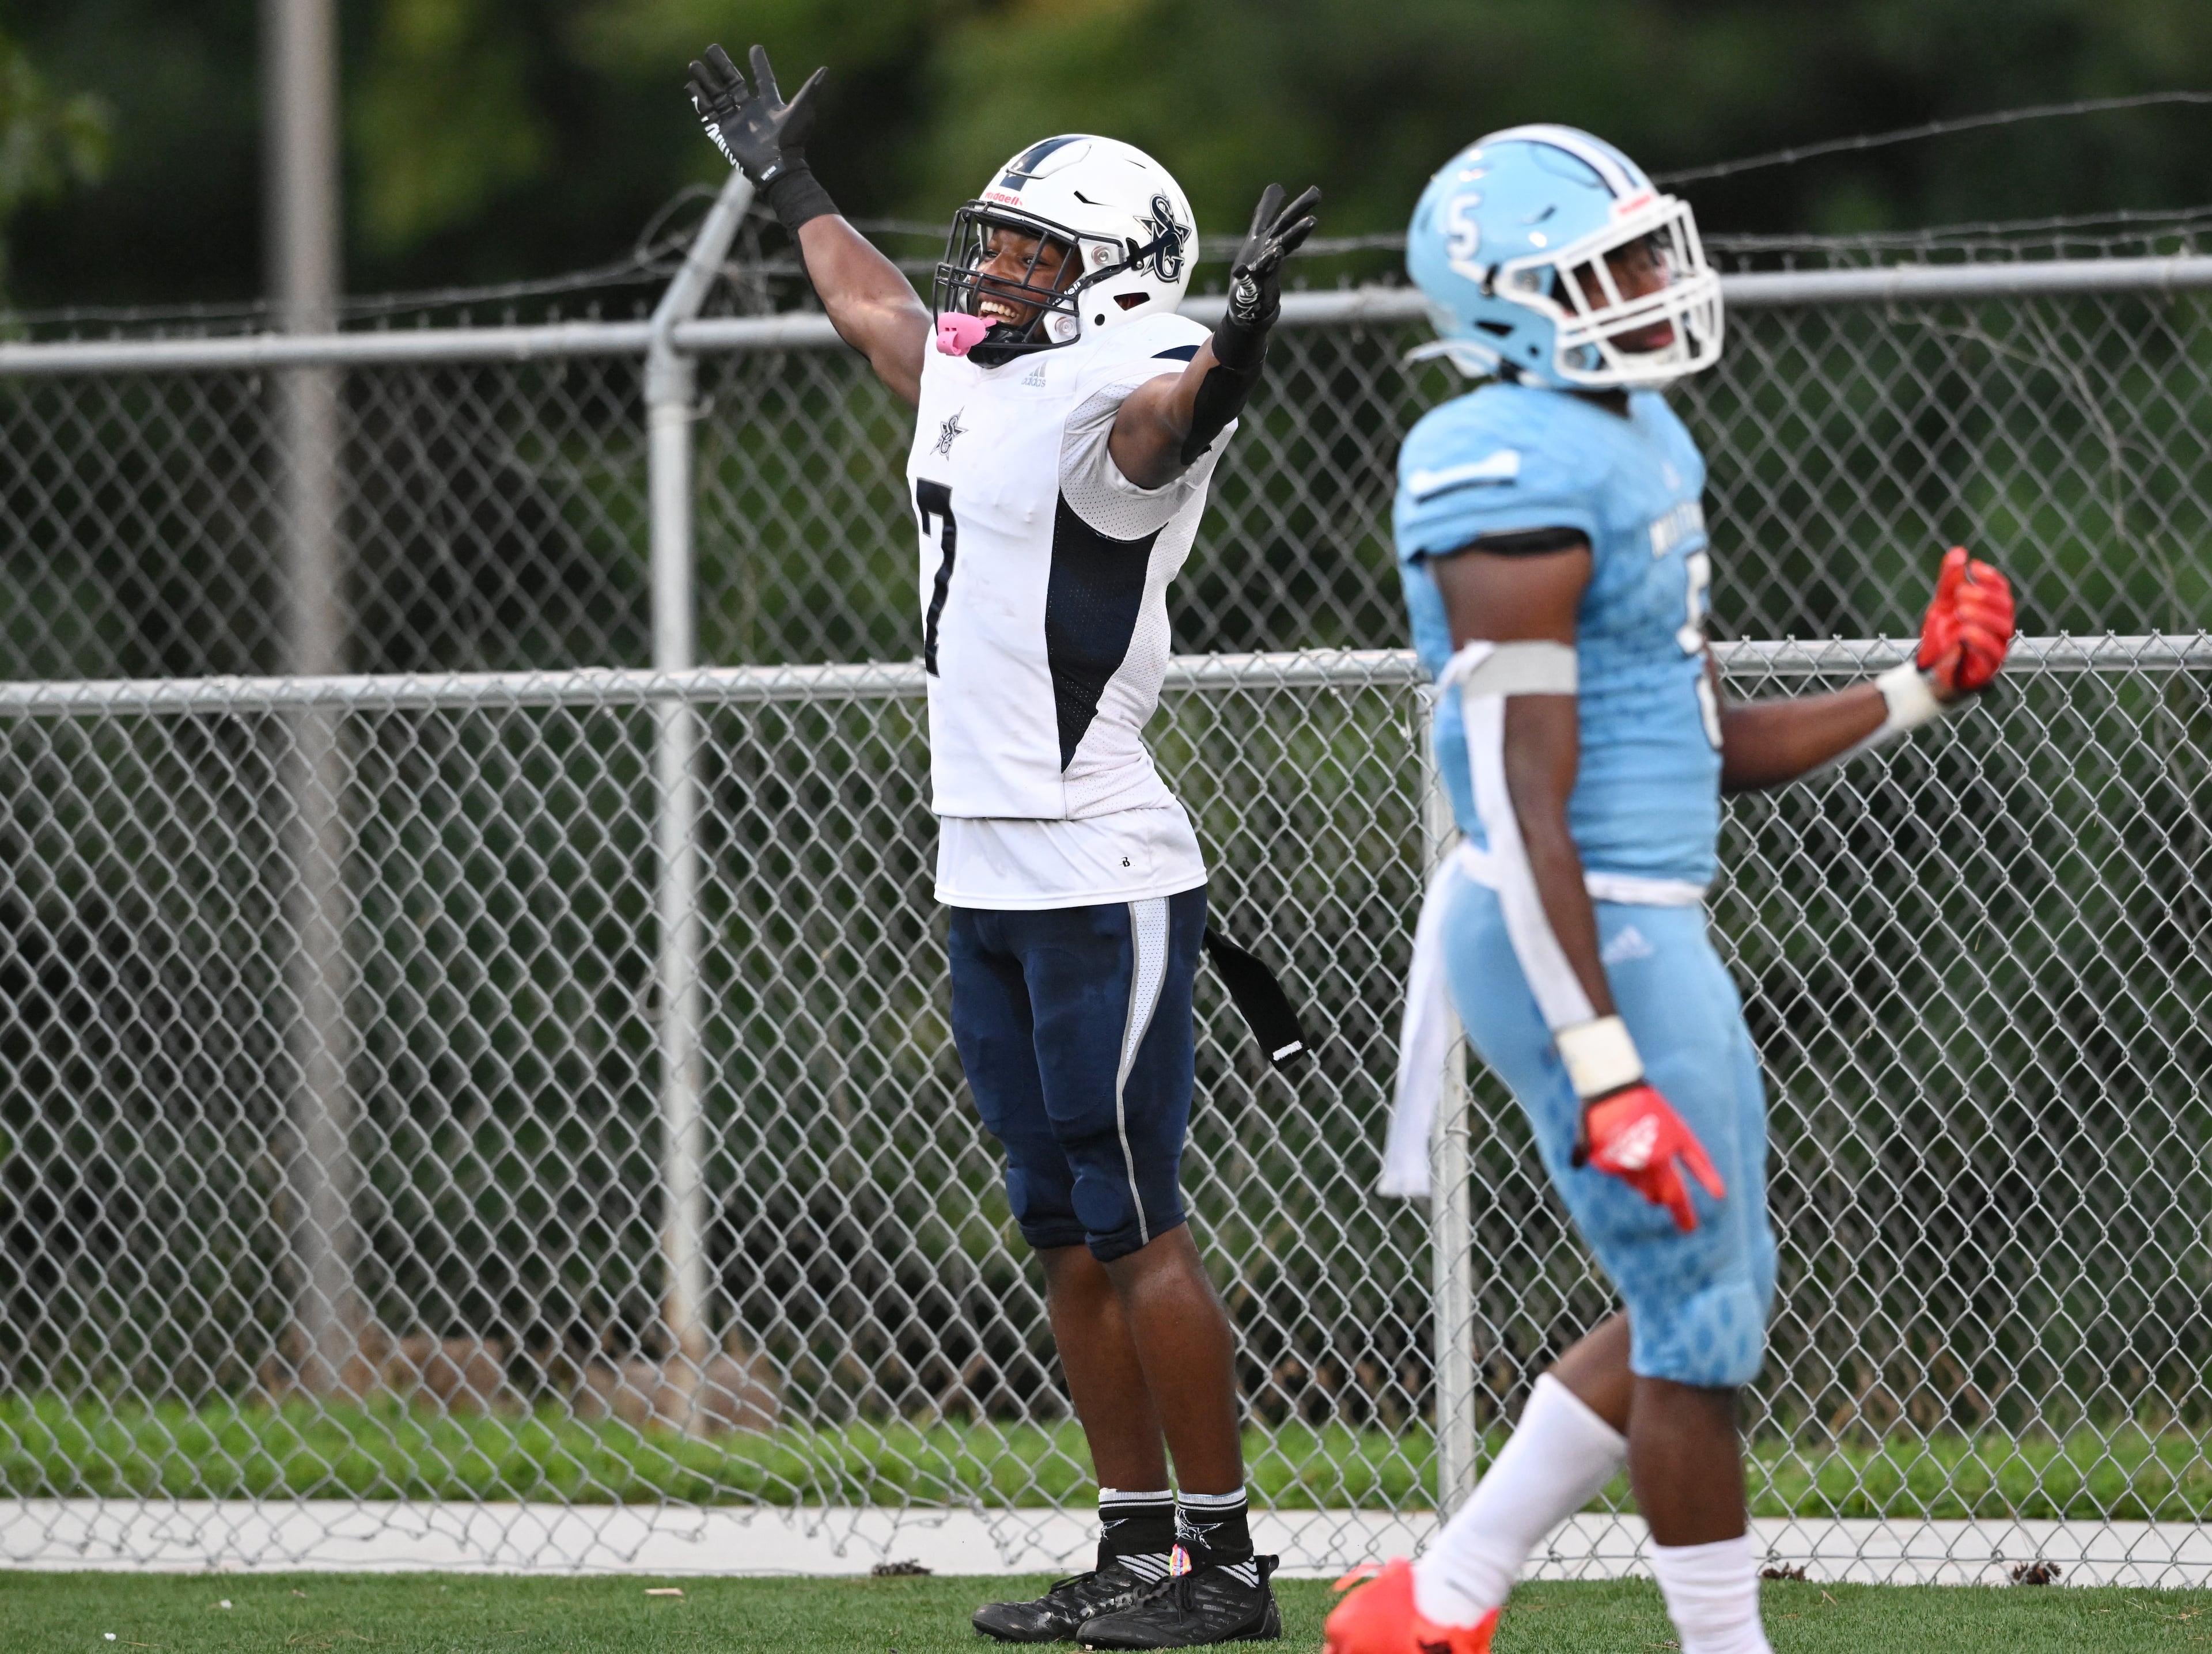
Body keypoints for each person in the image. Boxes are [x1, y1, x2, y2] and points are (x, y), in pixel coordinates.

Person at [1326, 125, 2016, 1654]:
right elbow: (1523, 798)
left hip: (1644, 921)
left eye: (1651, 250)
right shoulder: (1499, 459)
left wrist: (1916, 688)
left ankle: (1440, 1598)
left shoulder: (1634, 432)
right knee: (1698, 1330)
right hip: (1568, 929)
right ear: (1509, 297)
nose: (1654, 283)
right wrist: (1602, 1065)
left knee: (1705, 1298)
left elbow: (1706, 746)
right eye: (1612, 264)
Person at [685, 44, 1321, 1649]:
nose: (1001, 273)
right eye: (1001, 244)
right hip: (984, 869)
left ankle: (1225, 1566)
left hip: (1099, 867)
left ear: (1120, 286)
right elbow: (874, 309)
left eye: (1039, 255)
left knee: (1137, 1220)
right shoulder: (988, 369)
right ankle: (1131, 1544)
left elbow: (1175, 420)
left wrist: (1239, 344)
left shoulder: (1127, 392)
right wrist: (789, 184)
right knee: (1059, 1230)